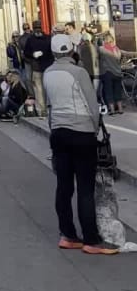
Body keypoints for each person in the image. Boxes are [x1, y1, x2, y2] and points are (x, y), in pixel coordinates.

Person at [43, 34, 117, 255]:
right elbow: (92, 104)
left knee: (64, 187)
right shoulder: (78, 72)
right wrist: (95, 130)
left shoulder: (48, 73)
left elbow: (50, 105)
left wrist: (54, 128)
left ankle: (68, 235)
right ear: (71, 50)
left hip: (58, 132)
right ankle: (91, 240)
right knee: (85, 188)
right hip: (82, 131)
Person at [22, 23, 53, 116]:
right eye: (36, 28)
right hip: (37, 67)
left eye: (39, 28)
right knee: (39, 90)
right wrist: (33, 55)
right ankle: (41, 110)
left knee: (46, 89)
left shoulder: (48, 38)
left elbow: (52, 52)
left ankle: (46, 108)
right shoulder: (31, 40)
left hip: (46, 67)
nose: (38, 30)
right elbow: (26, 53)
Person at [98, 33, 125, 115]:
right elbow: (118, 58)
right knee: (118, 91)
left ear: (105, 40)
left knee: (109, 91)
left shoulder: (102, 49)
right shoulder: (116, 49)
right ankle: (120, 109)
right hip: (118, 73)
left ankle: (112, 110)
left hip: (108, 73)